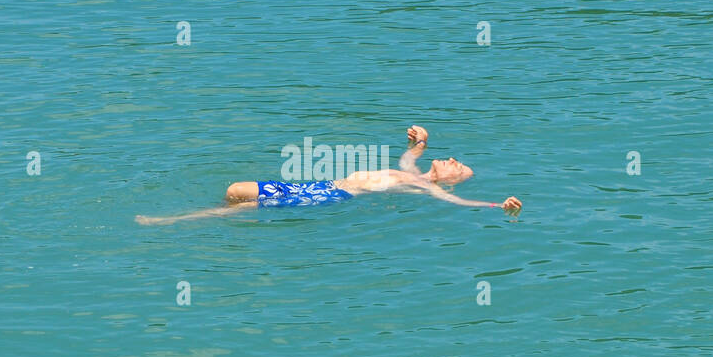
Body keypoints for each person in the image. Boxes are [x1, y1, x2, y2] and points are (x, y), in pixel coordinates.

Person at [135, 125, 522, 225]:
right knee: (235, 194)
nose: (452, 159)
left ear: (451, 178)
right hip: (318, 188)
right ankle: (214, 215)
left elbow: (459, 201)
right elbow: (408, 158)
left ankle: (171, 220)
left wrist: (497, 205)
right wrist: (421, 142)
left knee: (237, 196)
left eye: (458, 165)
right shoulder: (413, 173)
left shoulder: (428, 188)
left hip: (326, 196)